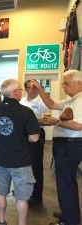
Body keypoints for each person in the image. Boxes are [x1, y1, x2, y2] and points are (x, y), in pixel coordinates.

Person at [30, 70, 82, 225]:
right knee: (66, 181)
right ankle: (68, 211)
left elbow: (78, 125)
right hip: (65, 145)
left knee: (65, 182)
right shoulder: (72, 100)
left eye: (67, 83)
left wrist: (56, 122)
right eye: (63, 84)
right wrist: (40, 90)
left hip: (69, 145)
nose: (64, 87)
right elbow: (52, 104)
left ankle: (70, 220)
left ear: (79, 83)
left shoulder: (80, 102)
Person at [0, 79, 40, 225]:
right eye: (21, 90)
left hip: (0, 160)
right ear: (15, 92)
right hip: (20, 161)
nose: (21, 92)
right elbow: (34, 138)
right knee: (22, 198)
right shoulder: (26, 112)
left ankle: (1, 221)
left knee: (1, 193)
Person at [20, 80, 48, 207]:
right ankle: (25, 191)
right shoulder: (21, 101)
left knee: (35, 165)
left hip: (37, 134)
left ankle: (36, 196)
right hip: (23, 136)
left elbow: (46, 120)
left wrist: (30, 120)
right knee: (24, 164)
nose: (33, 90)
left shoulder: (42, 102)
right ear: (25, 89)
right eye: (30, 87)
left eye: (36, 87)